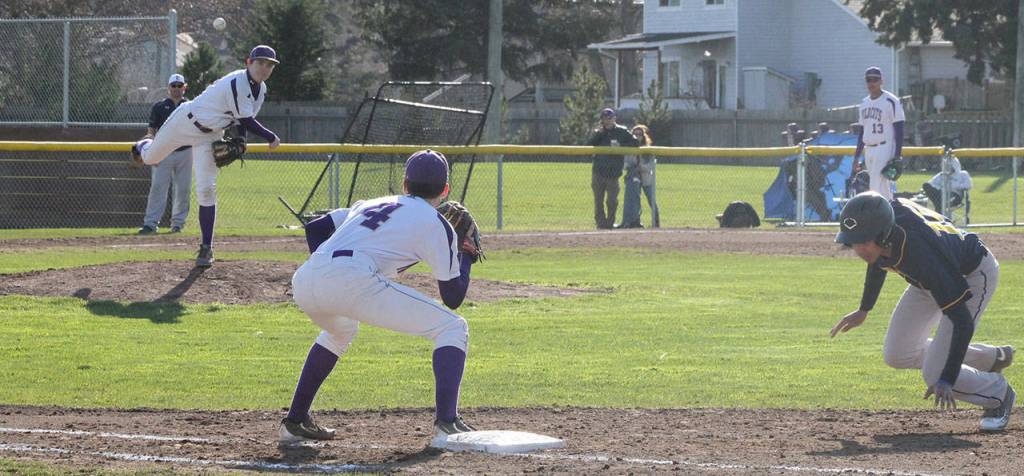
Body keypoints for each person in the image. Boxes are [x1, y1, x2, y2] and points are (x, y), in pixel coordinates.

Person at [280, 150, 479, 448]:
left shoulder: (372, 203)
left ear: (405, 184)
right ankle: (446, 424)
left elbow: (317, 228)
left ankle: (294, 422)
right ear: (445, 190)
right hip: (352, 279)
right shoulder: (438, 225)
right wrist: (466, 256)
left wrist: (331, 271)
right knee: (453, 327)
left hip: (307, 278)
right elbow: (452, 297)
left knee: (342, 330)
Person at [832, 192, 1015, 431]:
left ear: (882, 235)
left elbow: (962, 321)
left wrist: (947, 378)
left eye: (864, 241)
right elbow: (877, 262)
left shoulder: (920, 253)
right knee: (897, 353)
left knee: (935, 372)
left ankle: (998, 394)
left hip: (971, 275)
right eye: (854, 241)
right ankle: (989, 358)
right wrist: (864, 309)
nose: (858, 248)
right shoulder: (885, 228)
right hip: (929, 279)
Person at [131, 45, 282, 267]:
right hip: (185, 121)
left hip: (209, 136)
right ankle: (141, 145)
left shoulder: (261, 90)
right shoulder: (238, 81)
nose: (264, 68)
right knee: (151, 158)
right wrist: (271, 137)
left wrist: (241, 140)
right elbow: (248, 120)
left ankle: (206, 247)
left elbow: (241, 120)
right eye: (260, 62)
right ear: (248, 62)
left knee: (206, 189)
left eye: (269, 65)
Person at [137, 73, 193, 235]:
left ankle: (177, 224)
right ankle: (150, 224)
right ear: (168, 88)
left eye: (179, 85)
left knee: (183, 189)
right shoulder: (159, 106)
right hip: (163, 152)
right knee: (158, 188)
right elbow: (151, 132)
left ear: (185, 87)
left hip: (185, 152)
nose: (176, 89)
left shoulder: (191, 106)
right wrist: (150, 151)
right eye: (173, 86)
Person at [853, 67, 906, 200]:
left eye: (875, 80)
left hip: (885, 147)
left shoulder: (891, 101)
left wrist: (897, 155)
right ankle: (891, 213)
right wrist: (856, 157)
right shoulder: (864, 103)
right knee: (883, 188)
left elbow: (899, 129)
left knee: (875, 186)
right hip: (869, 149)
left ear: (882, 81)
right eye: (868, 80)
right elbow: (862, 132)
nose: (872, 83)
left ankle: (875, 218)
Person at [587, 108, 638, 229]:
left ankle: (610, 223)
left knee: (612, 201)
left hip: (614, 173)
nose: (607, 121)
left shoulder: (622, 131)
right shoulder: (599, 132)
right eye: (604, 118)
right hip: (598, 171)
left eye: (610, 118)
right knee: (598, 201)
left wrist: (621, 146)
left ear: (614, 118)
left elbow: (635, 143)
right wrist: (599, 133)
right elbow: (589, 144)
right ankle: (600, 223)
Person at [618, 124, 659, 228]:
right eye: (635, 134)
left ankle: (656, 222)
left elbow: (651, 165)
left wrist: (641, 168)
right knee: (633, 199)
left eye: (640, 134)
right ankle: (632, 221)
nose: (637, 136)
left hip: (646, 179)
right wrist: (631, 168)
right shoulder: (629, 148)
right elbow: (625, 163)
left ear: (643, 136)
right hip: (633, 177)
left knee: (652, 200)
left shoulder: (647, 149)